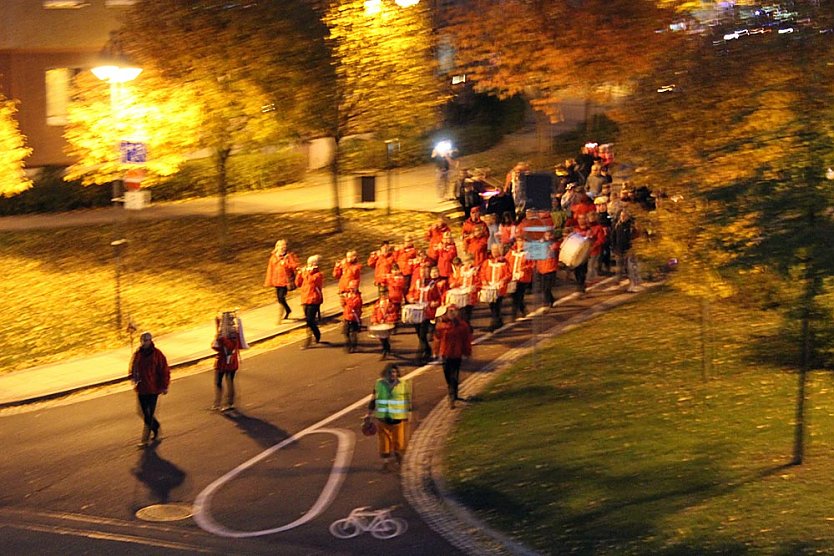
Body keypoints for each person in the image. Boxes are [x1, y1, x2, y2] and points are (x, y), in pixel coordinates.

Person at [365, 364, 411, 470]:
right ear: (385, 374)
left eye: (394, 372)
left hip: (398, 418)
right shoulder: (379, 384)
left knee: (399, 442)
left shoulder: (403, 384)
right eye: (390, 372)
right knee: (384, 442)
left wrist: (409, 414)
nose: (392, 374)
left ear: (397, 373)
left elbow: (408, 401)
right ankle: (386, 462)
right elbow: (373, 399)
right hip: (383, 418)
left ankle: (398, 457)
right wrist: (369, 413)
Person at [128, 331, 170, 447]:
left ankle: (144, 440)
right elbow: (133, 365)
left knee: (148, 415)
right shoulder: (138, 353)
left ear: (151, 341)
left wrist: (164, 386)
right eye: (142, 340)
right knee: (141, 412)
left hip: (153, 389)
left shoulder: (157, 354)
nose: (144, 343)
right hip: (142, 388)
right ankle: (155, 426)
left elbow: (164, 370)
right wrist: (132, 375)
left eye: (146, 340)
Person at [433, 305, 473, 409]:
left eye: (454, 311)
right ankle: (453, 394)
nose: (452, 313)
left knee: (454, 376)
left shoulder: (463, 326)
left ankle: (452, 397)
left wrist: (467, 352)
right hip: (445, 353)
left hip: (457, 353)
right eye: (450, 311)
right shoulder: (441, 325)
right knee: (448, 375)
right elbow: (437, 339)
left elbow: (466, 340)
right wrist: (435, 352)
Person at [211, 312, 243, 411]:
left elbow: (230, 347)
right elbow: (215, 347)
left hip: (230, 363)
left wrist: (222, 339)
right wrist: (218, 337)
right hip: (221, 362)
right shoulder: (221, 334)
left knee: (229, 382)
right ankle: (218, 402)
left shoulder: (233, 334)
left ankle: (229, 403)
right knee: (218, 382)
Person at [263, 239, 299, 323]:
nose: (283, 247)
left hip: (285, 280)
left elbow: (295, 265)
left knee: (281, 297)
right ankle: (288, 310)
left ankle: (282, 315)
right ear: (277, 247)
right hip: (277, 280)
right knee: (279, 299)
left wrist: (286, 264)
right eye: (281, 245)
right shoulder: (273, 257)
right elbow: (270, 269)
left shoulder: (289, 256)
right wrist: (269, 280)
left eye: (284, 245)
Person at [480, 243, 511, 331]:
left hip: (499, 288)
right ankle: (498, 321)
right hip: (489, 286)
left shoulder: (504, 262)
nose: (494, 252)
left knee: (496, 305)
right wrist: (484, 281)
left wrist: (503, 281)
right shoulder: (487, 262)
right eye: (493, 250)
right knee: (492, 305)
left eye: (496, 250)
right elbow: (482, 272)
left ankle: (494, 323)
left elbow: (509, 274)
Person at [296, 255, 324, 349]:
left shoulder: (318, 274)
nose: (309, 265)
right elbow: (298, 283)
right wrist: (299, 274)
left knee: (309, 320)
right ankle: (316, 334)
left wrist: (305, 273)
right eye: (309, 263)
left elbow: (311, 281)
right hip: (305, 298)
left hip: (314, 299)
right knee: (308, 320)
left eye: (311, 263)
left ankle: (309, 340)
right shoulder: (306, 273)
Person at [507, 236, 534, 320]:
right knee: (514, 295)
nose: (521, 243)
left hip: (523, 278)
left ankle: (513, 314)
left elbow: (533, 264)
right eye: (519, 241)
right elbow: (506, 261)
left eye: (523, 241)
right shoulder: (511, 252)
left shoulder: (528, 253)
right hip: (513, 277)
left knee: (518, 295)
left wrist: (525, 268)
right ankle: (522, 310)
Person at [536, 229, 560, 307]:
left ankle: (546, 302)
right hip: (541, 268)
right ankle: (551, 299)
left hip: (551, 268)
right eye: (546, 235)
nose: (548, 237)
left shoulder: (555, 244)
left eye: (550, 235)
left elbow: (553, 250)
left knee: (547, 287)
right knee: (543, 288)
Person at [341, 280, 363, 353]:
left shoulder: (358, 297)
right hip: (347, 316)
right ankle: (348, 343)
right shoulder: (348, 295)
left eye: (352, 288)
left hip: (354, 317)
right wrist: (342, 299)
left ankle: (353, 346)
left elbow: (353, 305)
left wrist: (347, 298)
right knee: (345, 332)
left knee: (353, 333)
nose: (351, 289)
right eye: (350, 288)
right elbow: (343, 304)